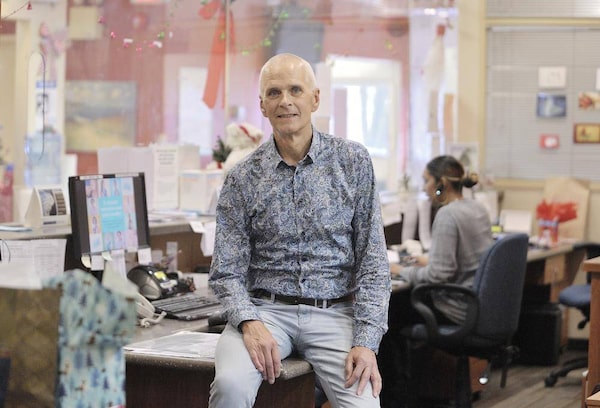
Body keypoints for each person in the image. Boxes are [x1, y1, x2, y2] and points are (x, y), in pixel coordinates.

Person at [208, 53, 391, 408]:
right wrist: (248, 321)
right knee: (230, 386)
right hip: (265, 312)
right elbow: (226, 272)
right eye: (274, 93)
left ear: (315, 98)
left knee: (364, 404)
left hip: (334, 315)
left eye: (295, 90)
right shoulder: (242, 177)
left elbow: (373, 263)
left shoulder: (352, 162)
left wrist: (366, 342)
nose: (285, 101)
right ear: (262, 105)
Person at [379, 154, 493, 407]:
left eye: (427, 180)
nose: (424, 187)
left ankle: (395, 399)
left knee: (386, 316)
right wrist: (429, 260)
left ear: (441, 183)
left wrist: (401, 270)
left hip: (454, 307)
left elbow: (438, 276)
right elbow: (466, 258)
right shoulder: (476, 208)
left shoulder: (447, 214)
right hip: (475, 303)